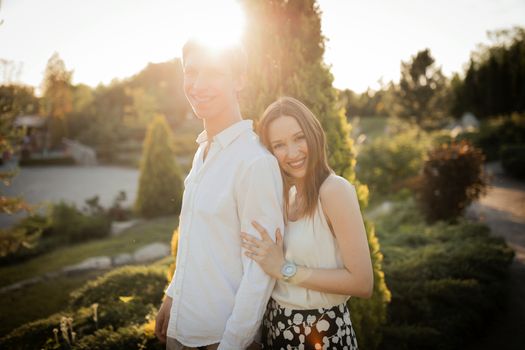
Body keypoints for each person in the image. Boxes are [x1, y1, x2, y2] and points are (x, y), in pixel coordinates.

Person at [155, 39, 284, 350]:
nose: (198, 84)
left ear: (239, 80)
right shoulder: (203, 151)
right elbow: (197, 239)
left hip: (218, 339)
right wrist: (172, 294)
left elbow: (260, 272)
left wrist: (231, 345)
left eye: (213, 73)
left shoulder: (255, 162)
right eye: (191, 72)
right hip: (181, 329)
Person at [240, 97, 374, 349]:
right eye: (279, 145)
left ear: (313, 135)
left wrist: (284, 269)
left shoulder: (335, 190)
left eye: (299, 137)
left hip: (323, 332)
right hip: (276, 330)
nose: (292, 153)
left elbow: (362, 282)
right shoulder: (284, 196)